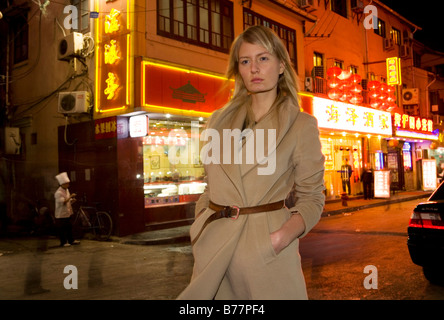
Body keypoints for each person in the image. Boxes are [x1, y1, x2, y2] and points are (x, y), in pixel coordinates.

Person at [177, 25, 325, 300]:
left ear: (281, 65)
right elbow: (212, 186)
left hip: (266, 251)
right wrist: (201, 223)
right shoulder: (218, 120)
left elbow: (312, 198)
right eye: (245, 61)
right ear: (239, 70)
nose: (254, 68)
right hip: (216, 248)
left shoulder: (301, 125)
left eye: (263, 58)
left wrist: (279, 239)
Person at [54, 172, 80, 247]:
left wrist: (72, 200)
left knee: (69, 227)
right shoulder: (58, 193)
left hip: (67, 213)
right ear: (63, 184)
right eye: (67, 183)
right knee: (62, 229)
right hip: (61, 214)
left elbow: (68, 200)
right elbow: (63, 201)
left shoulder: (66, 190)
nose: (68, 185)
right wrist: (70, 196)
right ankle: (63, 242)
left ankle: (71, 240)